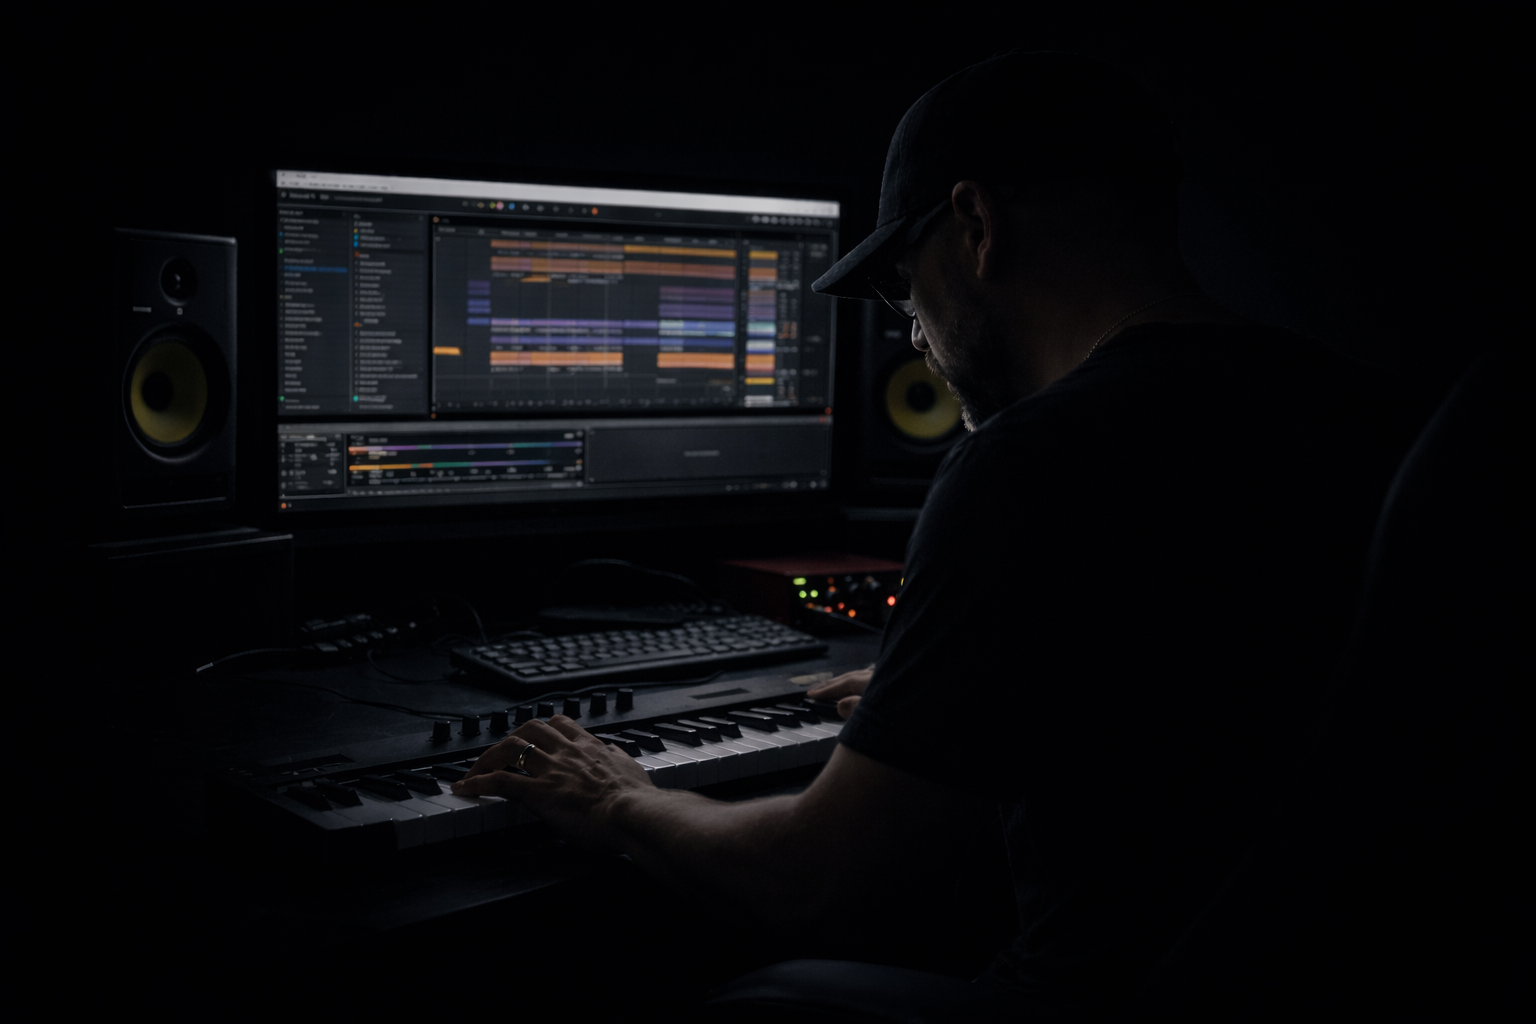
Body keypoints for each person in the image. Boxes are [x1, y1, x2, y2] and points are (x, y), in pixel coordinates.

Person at [451, 52, 1426, 1017]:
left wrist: (615, 794)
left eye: (902, 290)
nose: (913, 336)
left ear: (974, 226)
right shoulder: (1387, 417)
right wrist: (949, 696)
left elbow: (806, 881)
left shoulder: (1033, 461)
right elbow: (1223, 686)